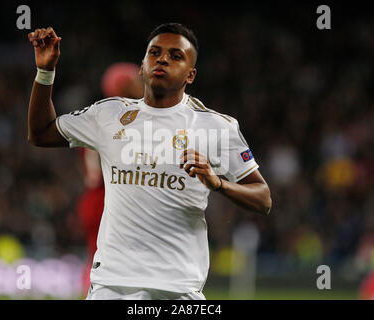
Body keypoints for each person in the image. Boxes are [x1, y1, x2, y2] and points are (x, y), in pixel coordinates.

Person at [27, 23, 272, 300]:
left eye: (175, 56)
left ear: (191, 75)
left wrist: (218, 184)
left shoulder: (216, 127)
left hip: (178, 288)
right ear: (142, 67)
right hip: (111, 285)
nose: (163, 59)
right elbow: (40, 133)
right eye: (154, 53)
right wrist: (45, 72)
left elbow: (263, 199)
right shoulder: (108, 114)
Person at [77, 62, 144, 294]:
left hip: (96, 199)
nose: (141, 84)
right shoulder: (123, 120)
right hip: (109, 199)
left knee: (99, 259)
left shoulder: (99, 116)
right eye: (135, 80)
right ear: (122, 86)